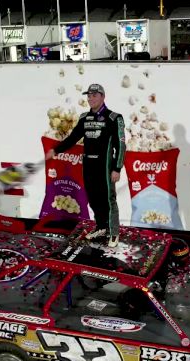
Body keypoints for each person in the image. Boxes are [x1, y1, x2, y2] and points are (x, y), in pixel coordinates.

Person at [45, 84, 126, 248]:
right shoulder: (84, 118)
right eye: (88, 96)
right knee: (93, 198)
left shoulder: (114, 118)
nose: (90, 98)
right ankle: (101, 227)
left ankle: (114, 232)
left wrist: (117, 168)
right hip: (88, 165)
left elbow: (121, 145)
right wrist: (56, 150)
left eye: (94, 95)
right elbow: (73, 138)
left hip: (105, 166)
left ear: (103, 97)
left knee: (108, 200)